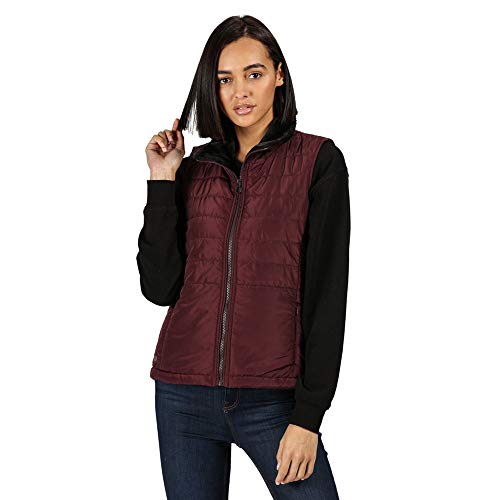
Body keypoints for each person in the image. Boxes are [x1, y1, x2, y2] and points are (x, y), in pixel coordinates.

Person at [136, 15, 350, 500]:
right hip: (183, 393)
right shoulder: (194, 169)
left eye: (254, 74)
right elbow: (159, 287)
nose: (240, 92)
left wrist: (308, 418)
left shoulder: (318, 162)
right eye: (224, 79)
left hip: (273, 401)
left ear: (279, 75)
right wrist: (163, 180)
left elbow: (327, 296)